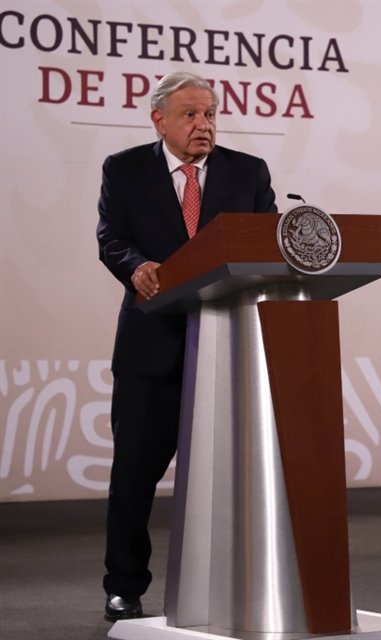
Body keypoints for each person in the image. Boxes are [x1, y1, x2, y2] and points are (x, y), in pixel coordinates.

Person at [96, 72, 277, 621]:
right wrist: (136, 268)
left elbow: (266, 240)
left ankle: (230, 581)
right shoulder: (124, 169)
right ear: (160, 120)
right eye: (191, 115)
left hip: (229, 345)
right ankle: (124, 585)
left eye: (211, 114)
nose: (205, 125)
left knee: (231, 474)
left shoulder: (248, 172)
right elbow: (112, 239)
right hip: (152, 346)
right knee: (134, 474)